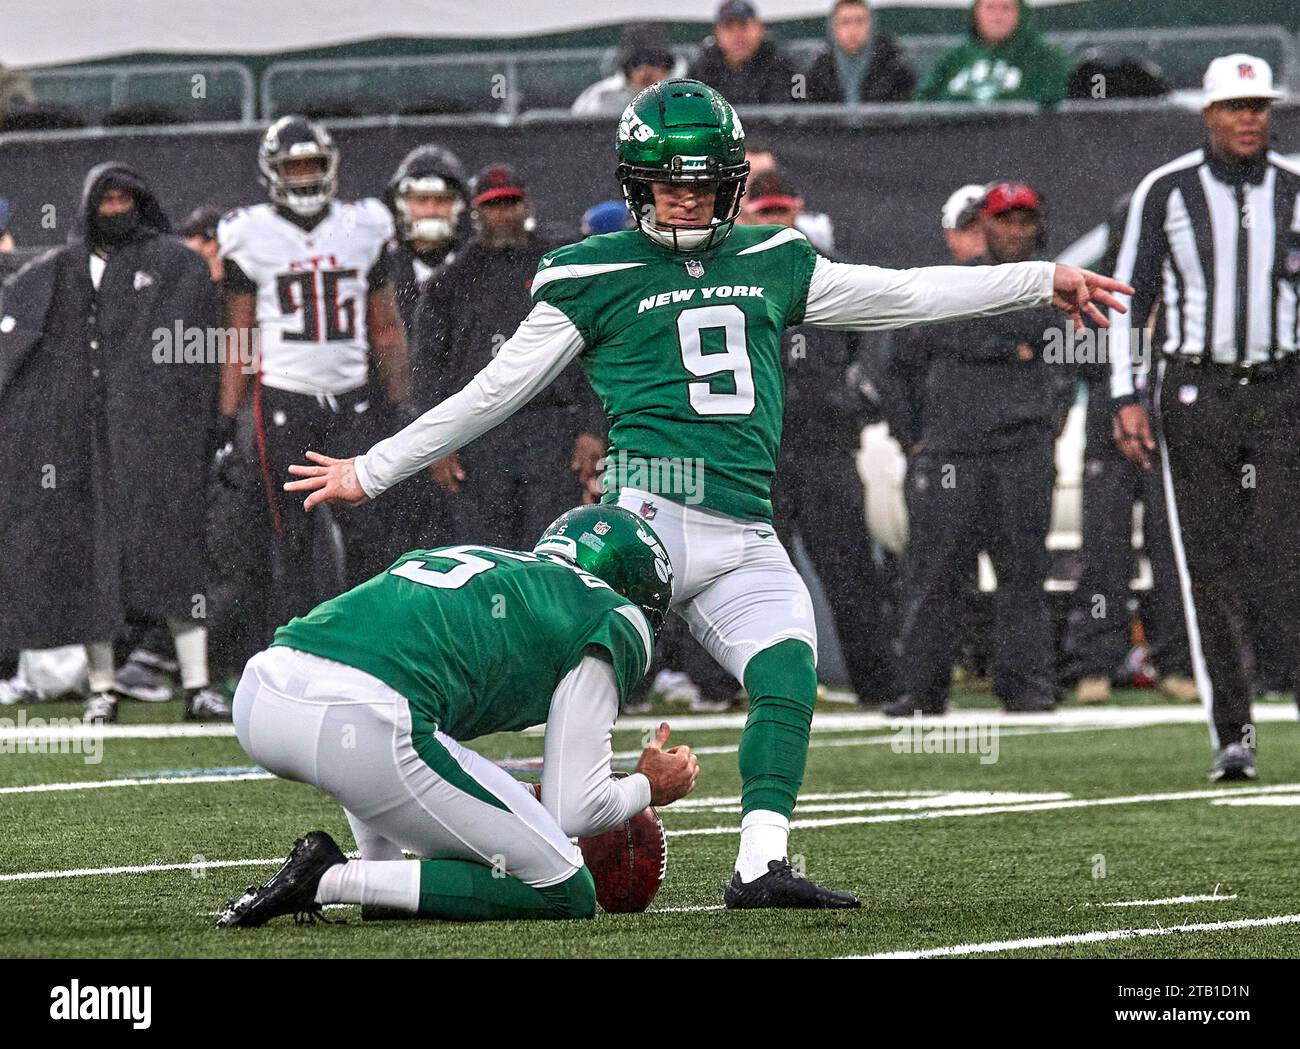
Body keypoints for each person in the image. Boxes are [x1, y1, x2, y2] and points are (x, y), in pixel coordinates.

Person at [284, 79, 1130, 908]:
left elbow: (904, 294)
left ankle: (761, 865)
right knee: (565, 723)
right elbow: (489, 394)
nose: (686, 202)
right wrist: (375, 466)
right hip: (638, 532)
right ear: (635, 184)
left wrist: (1034, 279)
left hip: (744, 530)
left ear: (731, 187)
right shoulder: (594, 270)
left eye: (703, 185)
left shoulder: (773, 257)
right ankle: (461, 816)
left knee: (788, 669)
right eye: (667, 185)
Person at [218, 505, 696, 926]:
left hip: (264, 692)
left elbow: (376, 667)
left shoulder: (485, 563)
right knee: (565, 889)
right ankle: (330, 880)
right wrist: (649, 784)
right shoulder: (610, 612)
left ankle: (381, 882)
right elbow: (576, 809)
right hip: (366, 718)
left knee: (396, 716)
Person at [1108, 55, 1300, 782]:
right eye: (1234, 106)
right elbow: (1127, 298)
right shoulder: (1167, 192)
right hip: (1197, 396)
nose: (1248, 117)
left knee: (1287, 560)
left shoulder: (1295, 191)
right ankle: (1235, 734)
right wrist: (1125, 395)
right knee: (1207, 568)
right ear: (1209, 114)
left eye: (1258, 105)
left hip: (1283, 391)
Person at [0, 163, 230, 723]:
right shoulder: (60, 271)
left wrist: (198, 427)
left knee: (175, 553)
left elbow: (197, 356)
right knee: (91, 562)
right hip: (81, 445)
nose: (118, 207)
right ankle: (101, 688)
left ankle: (196, 685)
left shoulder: (176, 265)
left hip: (158, 442)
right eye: (108, 199)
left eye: (127, 197)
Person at [215, 116, 414, 635]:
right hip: (285, 400)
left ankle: (371, 641)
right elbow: (240, 334)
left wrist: (402, 404)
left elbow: (387, 327)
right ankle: (299, 644)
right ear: (272, 171)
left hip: (355, 401)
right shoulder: (248, 231)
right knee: (291, 536)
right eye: (293, 166)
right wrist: (227, 415)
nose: (304, 177)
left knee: (370, 530)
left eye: (312, 165)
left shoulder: (365, 223)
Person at [882, 182, 1072, 716]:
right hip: (949, 454)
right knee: (934, 574)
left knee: (1024, 575)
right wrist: (913, 438)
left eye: (1024, 221)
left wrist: (1044, 414)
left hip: (1023, 450)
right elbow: (896, 364)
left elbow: (1073, 360)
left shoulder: (1049, 284)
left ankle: (1027, 688)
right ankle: (921, 691)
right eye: (1004, 220)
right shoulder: (948, 285)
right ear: (982, 226)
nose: (1015, 231)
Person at [742, 170, 895, 705]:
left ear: (798, 209)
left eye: (782, 210)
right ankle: (741, 687)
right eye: (765, 212)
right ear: (743, 213)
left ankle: (877, 682)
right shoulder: (730, 276)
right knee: (749, 577)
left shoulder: (823, 272)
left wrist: (852, 398)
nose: (775, 220)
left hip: (825, 445)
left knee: (850, 569)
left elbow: (867, 343)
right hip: (757, 454)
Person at [415, 164, 604, 550]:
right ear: (475, 212)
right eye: (493, 206)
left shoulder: (560, 266)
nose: (503, 214)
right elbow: (429, 369)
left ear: (526, 205)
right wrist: (436, 444)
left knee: (552, 548)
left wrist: (591, 428)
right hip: (478, 431)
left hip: (552, 427)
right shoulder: (450, 282)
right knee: (484, 553)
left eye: (510, 204)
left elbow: (595, 348)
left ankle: (545, 612)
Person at [382, 143, 468, 339]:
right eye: (421, 200)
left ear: (460, 206)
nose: (431, 211)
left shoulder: (476, 268)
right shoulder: (382, 270)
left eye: (442, 200)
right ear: (400, 205)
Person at [915, 0, 1069, 106]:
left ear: (1021, 13)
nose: (997, 17)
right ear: (976, 13)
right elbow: (923, 105)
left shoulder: (1044, 58)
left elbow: (1055, 110)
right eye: (990, 8)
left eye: (1006, 8)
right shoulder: (952, 58)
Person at [804, 0, 915, 104]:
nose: (853, 30)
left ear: (871, 25)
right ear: (833, 27)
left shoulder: (895, 65)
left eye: (860, 21)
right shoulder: (819, 67)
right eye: (845, 22)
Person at [688, 2, 797, 106]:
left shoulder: (782, 65)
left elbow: (794, 112)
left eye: (743, 26)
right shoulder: (702, 69)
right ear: (717, 32)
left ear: (759, 28)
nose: (737, 36)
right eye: (729, 28)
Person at [572, 23, 678, 117]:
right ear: (626, 67)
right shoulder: (600, 98)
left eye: (654, 61)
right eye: (636, 62)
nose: (645, 70)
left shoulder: (683, 95)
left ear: (667, 65)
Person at [941, 183, 988, 263]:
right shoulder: (930, 274)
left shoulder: (1015, 272)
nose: (980, 232)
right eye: (968, 225)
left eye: (987, 225)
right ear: (949, 234)